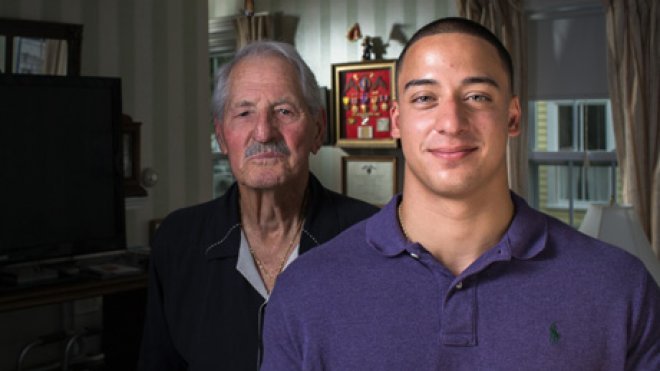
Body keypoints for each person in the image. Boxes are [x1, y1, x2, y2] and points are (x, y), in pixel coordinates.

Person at [261, 17, 660, 370]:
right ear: (397, 122)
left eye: (477, 97)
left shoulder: (621, 288)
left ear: (514, 116)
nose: (451, 122)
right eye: (424, 99)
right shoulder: (305, 291)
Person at [137, 41, 378, 370]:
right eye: (244, 112)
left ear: (318, 129)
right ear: (222, 136)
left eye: (284, 111)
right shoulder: (179, 240)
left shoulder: (372, 238)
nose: (264, 132)